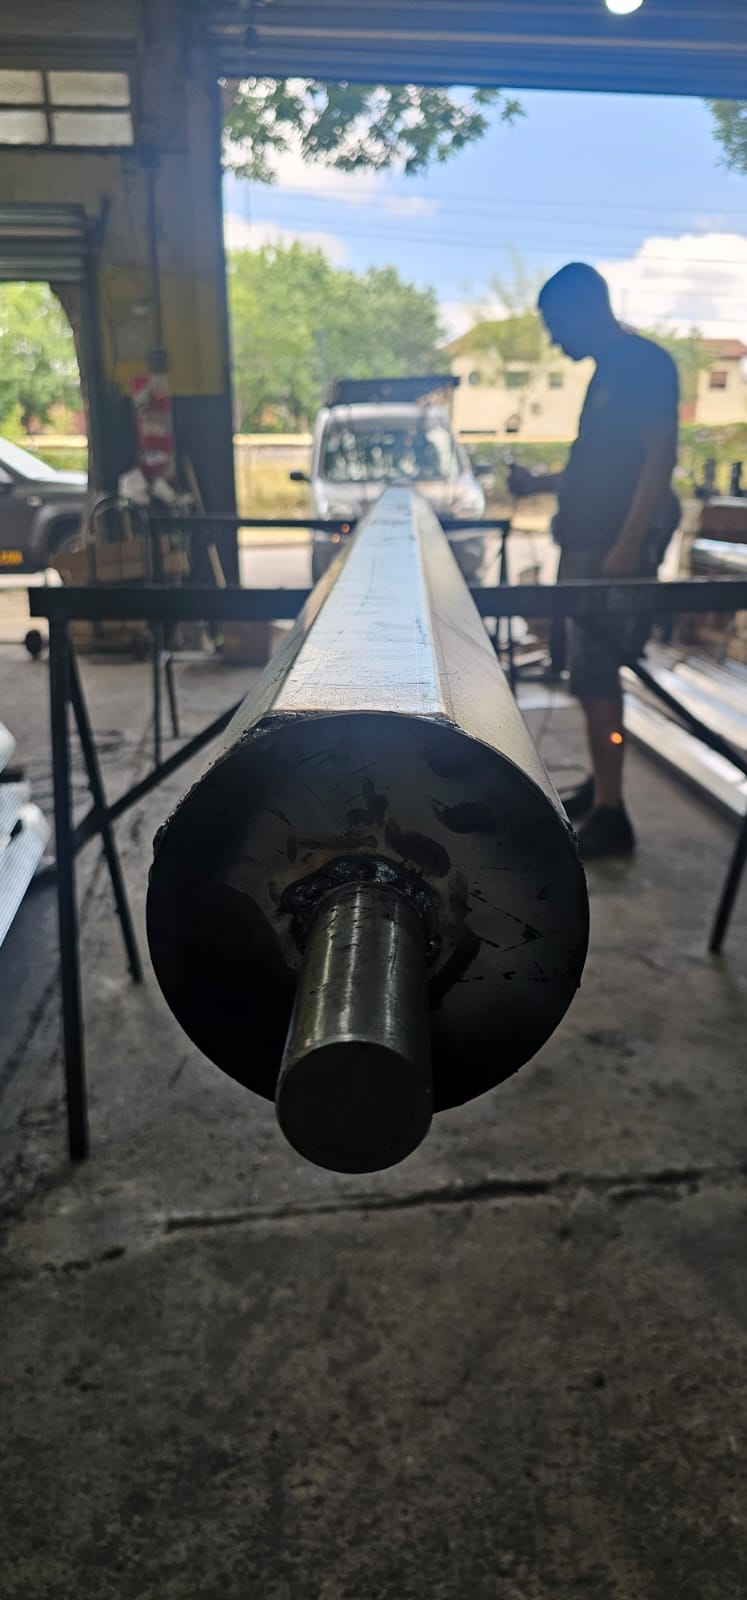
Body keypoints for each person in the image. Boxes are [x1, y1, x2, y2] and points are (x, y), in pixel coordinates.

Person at [509, 261, 679, 861]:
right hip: (590, 545)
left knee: (599, 671)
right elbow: (597, 467)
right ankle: (601, 785)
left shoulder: (644, 364)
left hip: (612, 551)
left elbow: (659, 456)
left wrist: (629, 544)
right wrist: (539, 482)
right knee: (585, 673)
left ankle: (613, 813)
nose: (555, 339)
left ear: (585, 308)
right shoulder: (608, 371)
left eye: (556, 324)